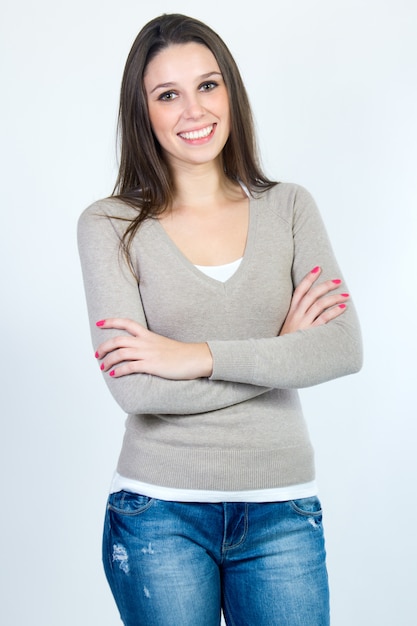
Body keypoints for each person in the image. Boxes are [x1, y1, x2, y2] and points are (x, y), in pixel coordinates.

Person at [77, 13, 362, 626]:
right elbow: (135, 389)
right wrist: (281, 351)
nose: (192, 111)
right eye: (167, 94)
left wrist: (194, 356)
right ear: (142, 111)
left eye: (207, 85)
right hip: (160, 517)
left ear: (230, 91)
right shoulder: (109, 225)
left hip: (281, 513)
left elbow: (341, 348)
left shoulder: (289, 207)